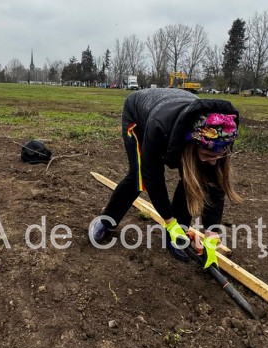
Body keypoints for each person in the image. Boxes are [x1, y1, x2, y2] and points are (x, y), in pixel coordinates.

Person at [88, 88, 243, 261]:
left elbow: (215, 185)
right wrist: (169, 221)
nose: (214, 161)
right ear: (192, 144)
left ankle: (178, 235)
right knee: (138, 177)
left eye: (218, 157)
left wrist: (211, 231)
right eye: (208, 155)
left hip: (177, 115)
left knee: (191, 179)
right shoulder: (159, 127)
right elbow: (152, 176)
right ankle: (107, 220)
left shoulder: (221, 133)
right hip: (140, 117)